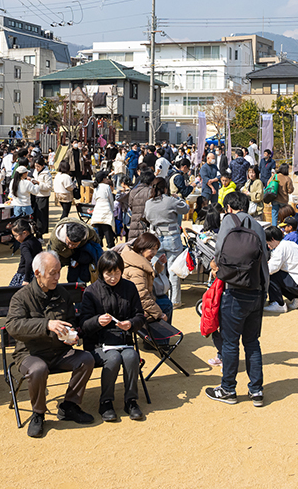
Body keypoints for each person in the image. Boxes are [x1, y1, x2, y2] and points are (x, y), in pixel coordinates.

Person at [6, 251, 96, 438]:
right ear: (37, 273)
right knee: (38, 369)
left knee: (86, 359)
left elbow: (71, 321)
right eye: (52, 273)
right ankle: (38, 413)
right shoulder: (21, 297)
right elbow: (13, 326)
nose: (57, 277)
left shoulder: (62, 294)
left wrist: (72, 335)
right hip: (30, 354)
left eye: (59, 272)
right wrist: (46, 324)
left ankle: (69, 406)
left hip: (59, 350)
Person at [206, 191, 268, 406]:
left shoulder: (228, 221)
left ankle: (228, 389)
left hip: (234, 290)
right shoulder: (258, 225)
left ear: (228, 207)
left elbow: (218, 251)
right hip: (257, 290)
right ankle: (256, 391)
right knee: (252, 342)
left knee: (231, 343)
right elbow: (264, 258)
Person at [79, 251, 146, 422]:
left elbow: (139, 315)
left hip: (123, 341)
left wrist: (130, 324)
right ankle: (106, 402)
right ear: (101, 272)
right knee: (114, 358)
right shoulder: (91, 291)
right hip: (98, 344)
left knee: (132, 356)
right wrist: (97, 321)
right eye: (109, 273)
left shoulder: (129, 287)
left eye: (117, 272)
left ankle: (130, 400)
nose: (113, 277)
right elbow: (84, 325)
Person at [144, 177, 189, 308]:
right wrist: (178, 198)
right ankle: (175, 300)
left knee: (158, 270)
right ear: (165, 188)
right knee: (173, 271)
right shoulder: (171, 201)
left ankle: (159, 296)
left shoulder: (148, 203)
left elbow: (147, 217)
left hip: (156, 238)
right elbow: (185, 209)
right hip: (172, 237)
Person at [264, 226, 298, 312]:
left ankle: (278, 304)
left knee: (271, 275)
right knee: (278, 273)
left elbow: (271, 269)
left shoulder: (280, 248)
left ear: (273, 239)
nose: (268, 246)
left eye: (268, 243)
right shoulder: (289, 243)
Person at [49, 217, 101, 283]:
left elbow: (96, 242)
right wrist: (71, 261)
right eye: (69, 243)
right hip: (62, 255)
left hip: (81, 251)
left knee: (81, 273)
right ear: (66, 236)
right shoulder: (56, 241)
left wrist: (78, 259)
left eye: (74, 244)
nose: (70, 246)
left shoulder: (88, 232)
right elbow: (53, 258)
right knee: (52, 269)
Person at [88, 171, 117, 248]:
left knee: (99, 235)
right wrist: (112, 210)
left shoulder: (96, 188)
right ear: (103, 179)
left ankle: (99, 250)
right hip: (106, 212)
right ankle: (110, 249)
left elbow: (93, 201)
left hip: (97, 212)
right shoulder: (106, 187)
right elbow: (111, 200)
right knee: (108, 235)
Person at [10, 219, 41, 286]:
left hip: (24, 274)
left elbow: (29, 260)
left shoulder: (24, 245)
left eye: (16, 236)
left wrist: (26, 279)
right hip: (36, 274)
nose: (15, 238)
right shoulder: (36, 241)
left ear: (25, 233)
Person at [127, 169, 155, 240]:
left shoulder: (133, 192)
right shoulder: (150, 192)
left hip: (134, 221)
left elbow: (130, 205)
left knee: (134, 244)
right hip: (146, 223)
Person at [31, 156, 53, 234]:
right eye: (35, 166)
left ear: (43, 166)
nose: (36, 168)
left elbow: (49, 186)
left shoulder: (47, 173)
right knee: (35, 216)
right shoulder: (35, 172)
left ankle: (41, 233)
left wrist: (39, 183)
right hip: (35, 194)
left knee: (41, 216)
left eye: (38, 166)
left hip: (43, 196)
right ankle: (36, 231)